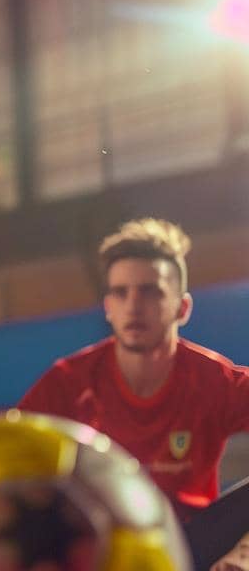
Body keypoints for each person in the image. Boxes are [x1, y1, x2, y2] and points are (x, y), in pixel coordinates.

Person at [17, 218, 249, 520]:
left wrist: (245, 547)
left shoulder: (214, 381)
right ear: (108, 308)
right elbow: (4, 459)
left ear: (183, 308)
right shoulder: (67, 383)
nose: (133, 306)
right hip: (102, 553)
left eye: (151, 292)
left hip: (192, 552)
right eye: (120, 292)